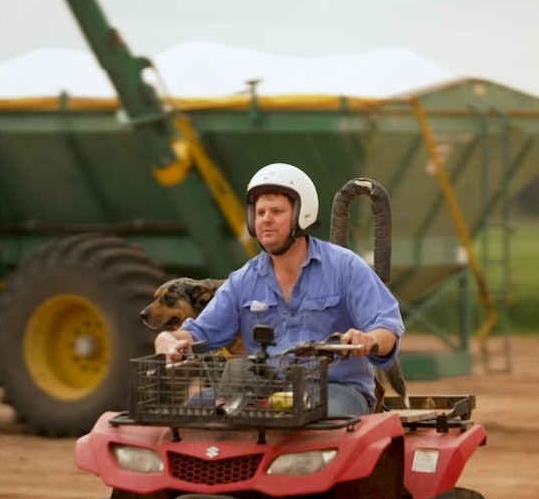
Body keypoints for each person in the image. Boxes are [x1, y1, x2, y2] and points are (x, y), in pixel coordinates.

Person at [154, 162, 404, 416]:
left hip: (335, 389)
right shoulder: (242, 280)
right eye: (260, 212)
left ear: (302, 214)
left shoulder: (345, 266)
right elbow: (199, 332)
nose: (266, 220)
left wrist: (369, 339)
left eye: (276, 211)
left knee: (328, 416)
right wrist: (168, 340)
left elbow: (387, 327)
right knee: (195, 411)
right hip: (262, 390)